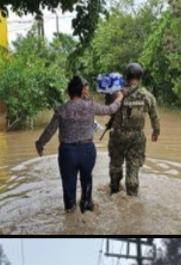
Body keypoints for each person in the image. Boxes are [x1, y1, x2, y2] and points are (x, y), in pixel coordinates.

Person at [35, 76, 124, 213]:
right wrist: (119, 98)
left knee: (68, 184)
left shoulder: (61, 109)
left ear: (69, 92)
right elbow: (110, 110)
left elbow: (49, 131)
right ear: (81, 91)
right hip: (87, 151)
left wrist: (39, 144)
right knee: (86, 179)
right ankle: (86, 205)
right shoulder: (90, 106)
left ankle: (70, 211)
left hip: (67, 153)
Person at [108, 62, 160, 196]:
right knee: (133, 168)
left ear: (126, 76)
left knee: (115, 166)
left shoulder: (117, 94)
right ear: (140, 77)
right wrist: (155, 132)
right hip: (137, 138)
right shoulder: (147, 96)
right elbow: (155, 117)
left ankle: (114, 191)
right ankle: (132, 197)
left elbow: (108, 109)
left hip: (118, 136)